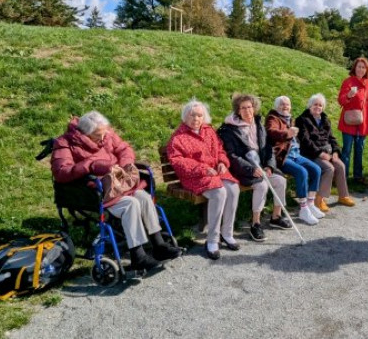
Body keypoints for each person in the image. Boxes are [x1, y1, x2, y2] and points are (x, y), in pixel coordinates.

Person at [51, 111, 181, 270]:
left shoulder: (105, 132)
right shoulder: (65, 143)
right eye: (98, 135)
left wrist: (126, 163)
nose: (104, 136)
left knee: (144, 198)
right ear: (86, 133)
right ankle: (137, 255)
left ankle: (159, 244)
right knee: (131, 204)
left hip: (120, 183)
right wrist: (91, 165)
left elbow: (124, 148)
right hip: (97, 191)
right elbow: (61, 173)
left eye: (105, 132)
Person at [166, 99, 240, 260]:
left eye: (200, 115)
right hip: (194, 176)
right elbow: (178, 162)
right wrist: (203, 169)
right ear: (185, 117)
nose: (196, 119)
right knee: (219, 193)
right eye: (192, 115)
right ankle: (212, 240)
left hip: (215, 172)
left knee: (233, 188)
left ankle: (227, 233)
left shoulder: (208, 130)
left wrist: (222, 162)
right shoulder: (178, 137)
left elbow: (220, 149)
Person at [218, 94, 292, 242]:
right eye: (243, 108)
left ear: (254, 108)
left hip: (262, 167)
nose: (247, 111)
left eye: (249, 107)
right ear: (238, 111)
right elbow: (232, 156)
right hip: (242, 170)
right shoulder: (228, 129)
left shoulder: (258, 124)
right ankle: (255, 224)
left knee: (280, 181)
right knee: (262, 185)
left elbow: (268, 148)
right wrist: (251, 169)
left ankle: (275, 217)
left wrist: (269, 166)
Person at [265, 96, 325, 225]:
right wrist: (287, 133)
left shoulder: (289, 118)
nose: (285, 106)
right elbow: (271, 131)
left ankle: (310, 203)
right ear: (276, 107)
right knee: (302, 172)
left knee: (316, 169)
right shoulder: (273, 118)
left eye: (287, 104)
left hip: (296, 154)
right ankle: (303, 209)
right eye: (282, 104)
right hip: (282, 156)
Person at [296, 93, 355, 209]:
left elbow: (332, 138)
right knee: (329, 168)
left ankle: (343, 196)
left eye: (320, 105)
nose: (318, 107)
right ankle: (319, 199)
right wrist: (320, 153)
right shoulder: (302, 120)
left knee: (341, 165)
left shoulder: (325, 119)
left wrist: (336, 152)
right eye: (315, 104)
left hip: (326, 152)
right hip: (311, 153)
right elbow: (305, 141)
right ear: (310, 105)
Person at [337, 57, 368, 184]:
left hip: (362, 123)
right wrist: (349, 95)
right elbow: (341, 101)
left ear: (367, 70)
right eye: (359, 66)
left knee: (359, 149)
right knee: (347, 150)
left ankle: (357, 176)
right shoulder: (348, 82)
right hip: (349, 122)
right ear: (354, 68)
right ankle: (343, 177)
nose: (361, 69)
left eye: (363, 67)